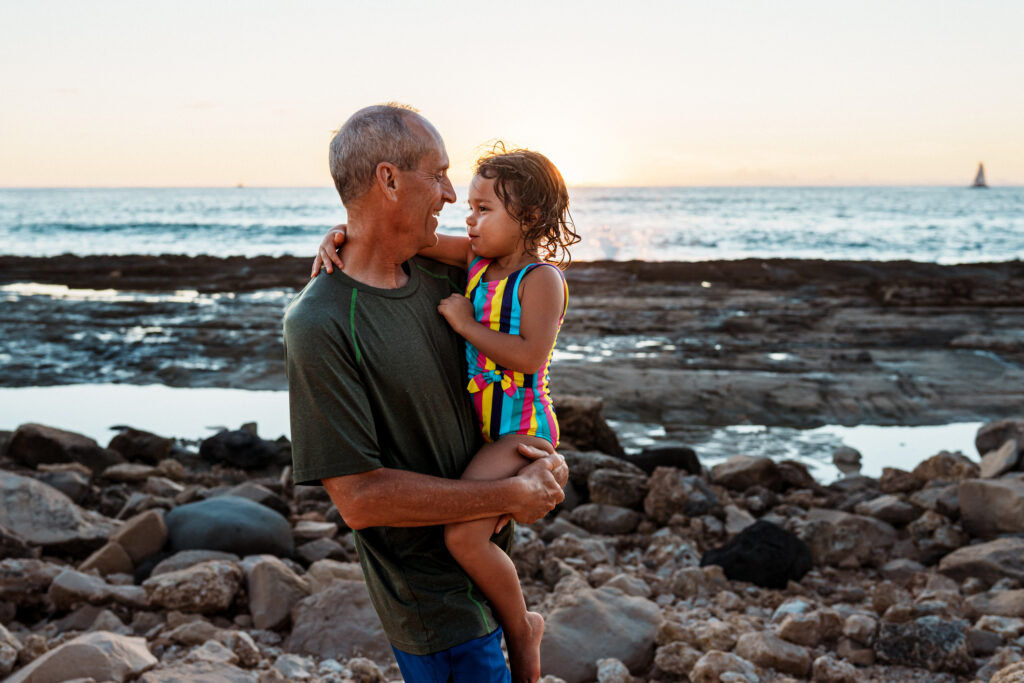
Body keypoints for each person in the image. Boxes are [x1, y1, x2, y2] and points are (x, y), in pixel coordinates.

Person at [283, 103, 569, 683]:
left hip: (490, 572)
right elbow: (359, 500)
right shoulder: (320, 322)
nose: (447, 196)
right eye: (437, 175)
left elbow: (523, 304)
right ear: (388, 179)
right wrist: (514, 490)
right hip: (435, 614)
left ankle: (521, 627)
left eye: (460, 189)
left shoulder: (448, 279)